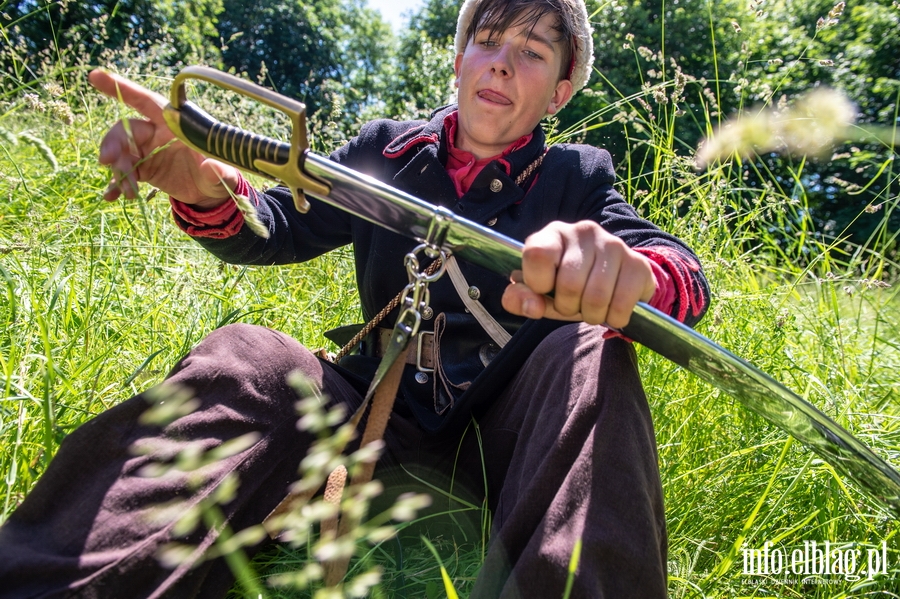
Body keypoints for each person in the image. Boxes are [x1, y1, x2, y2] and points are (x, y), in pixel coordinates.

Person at [0, 0, 710, 596]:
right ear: (459, 58)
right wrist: (204, 185)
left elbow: (677, 269)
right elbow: (277, 223)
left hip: (499, 442)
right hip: (366, 402)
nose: (500, 62)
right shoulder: (387, 152)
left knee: (594, 349)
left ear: (559, 90)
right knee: (250, 356)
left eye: (531, 51)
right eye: (487, 41)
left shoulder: (576, 177)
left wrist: (634, 276)